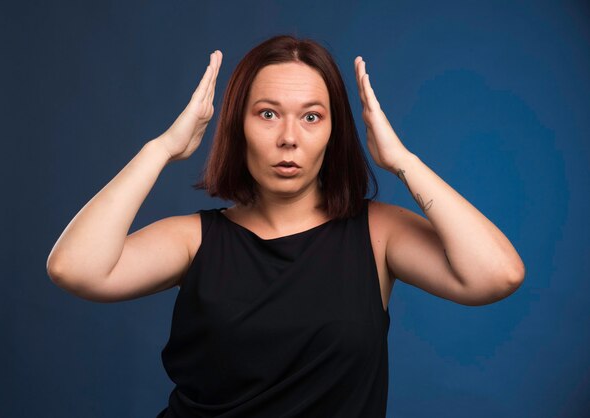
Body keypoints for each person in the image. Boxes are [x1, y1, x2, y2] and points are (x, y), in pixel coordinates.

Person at [46, 34, 525, 417]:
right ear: (239, 126)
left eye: (312, 117)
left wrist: (403, 162)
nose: (289, 138)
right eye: (268, 114)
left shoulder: (378, 233)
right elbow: (75, 269)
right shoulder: (193, 239)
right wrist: (161, 150)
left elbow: (496, 275)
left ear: (334, 133)